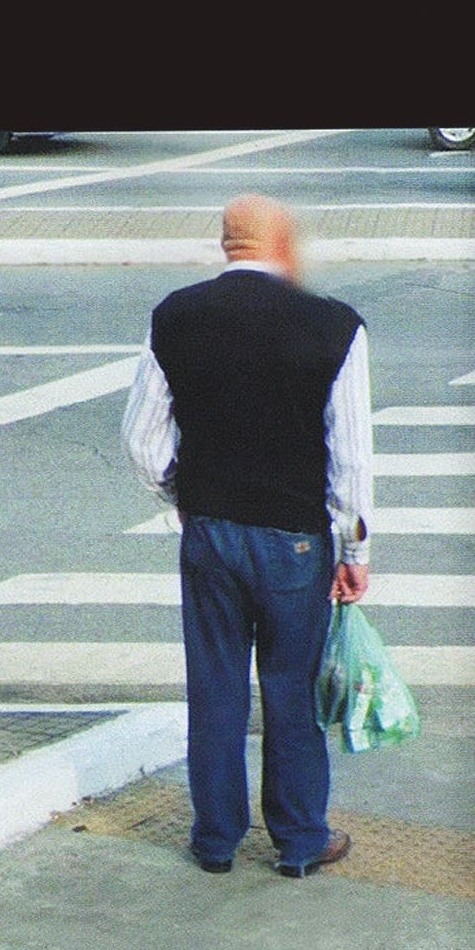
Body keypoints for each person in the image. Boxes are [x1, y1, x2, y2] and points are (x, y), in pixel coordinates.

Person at [122, 196, 373, 877]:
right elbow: (350, 459)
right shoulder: (335, 327)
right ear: (281, 243)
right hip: (294, 541)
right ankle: (298, 841)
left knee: (215, 689)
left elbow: (143, 441)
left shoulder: (175, 316)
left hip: (210, 535)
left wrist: (189, 493)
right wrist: (355, 552)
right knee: (291, 692)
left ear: (227, 243)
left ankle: (215, 841)